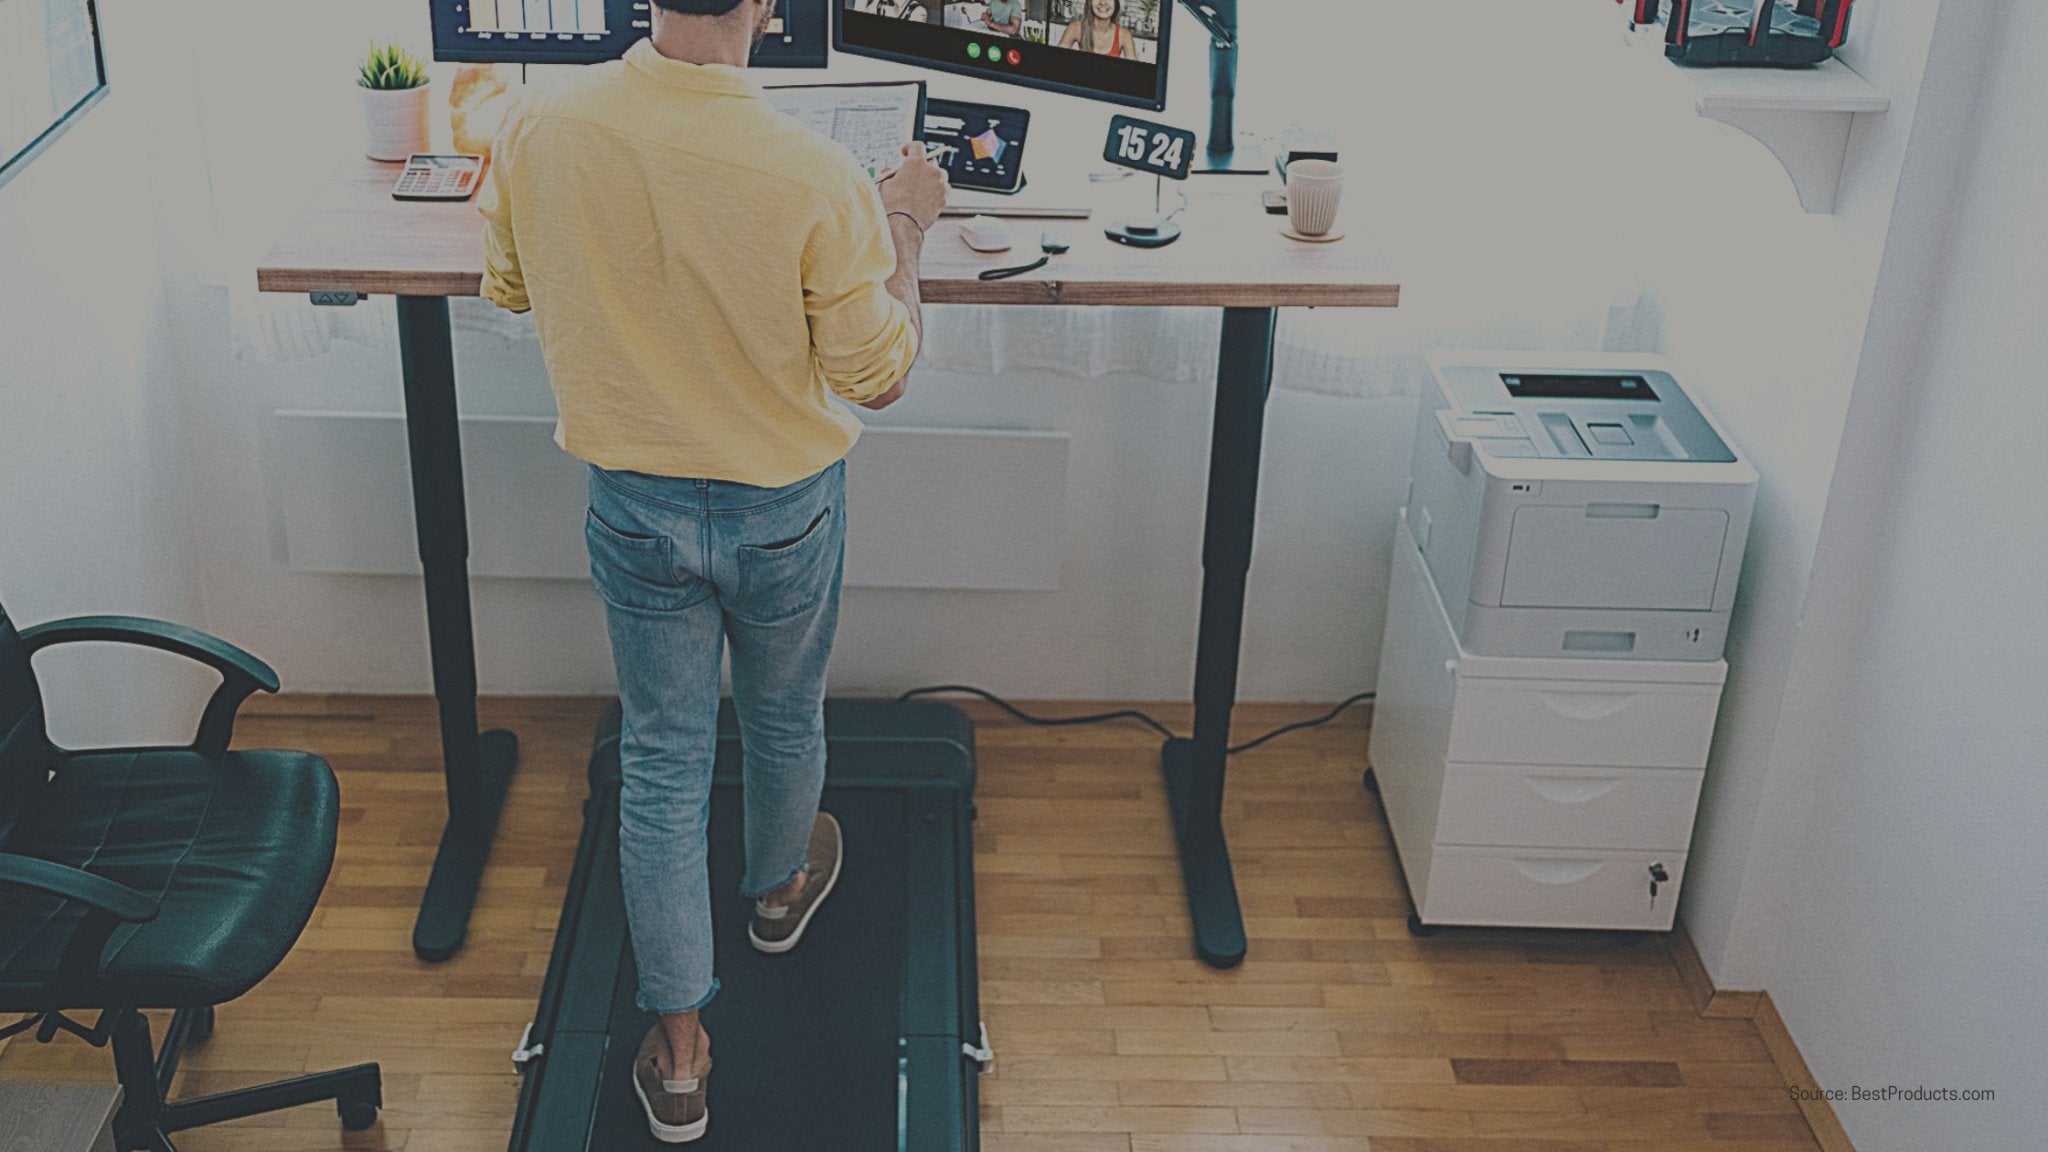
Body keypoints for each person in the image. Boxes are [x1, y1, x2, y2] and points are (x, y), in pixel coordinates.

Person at [476, 0, 948, 1143]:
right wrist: (907, 226)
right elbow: (876, 376)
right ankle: (778, 892)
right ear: (770, 8)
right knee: (783, 714)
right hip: (778, 507)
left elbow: (512, 287)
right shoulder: (816, 171)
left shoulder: (536, 125)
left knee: (662, 757)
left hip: (632, 503)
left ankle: (681, 1055)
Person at [1058, 0, 1136, 58]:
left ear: (1116, 3)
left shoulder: (1124, 35)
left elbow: (1135, 72)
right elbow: (1057, 60)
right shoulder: (1075, 28)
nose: (1103, 2)